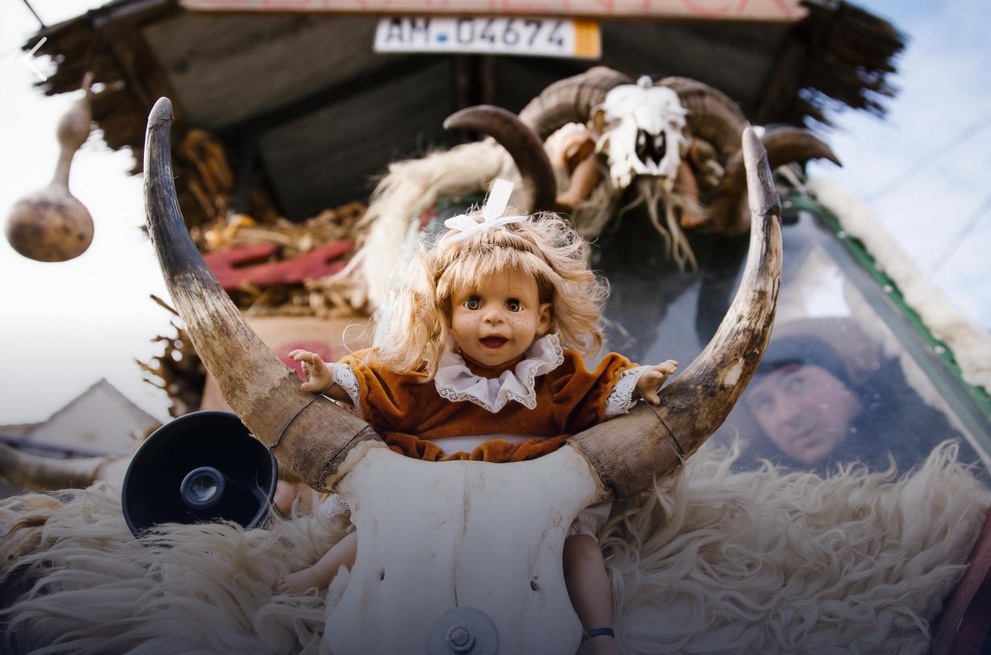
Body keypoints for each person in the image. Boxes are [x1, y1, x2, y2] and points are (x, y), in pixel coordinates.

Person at [272, 179, 677, 655]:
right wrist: (330, 379)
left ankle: (599, 630)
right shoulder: (426, 373)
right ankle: (318, 574)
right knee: (383, 529)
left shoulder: (553, 374)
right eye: (473, 302)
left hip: (530, 492)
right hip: (431, 487)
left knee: (577, 544)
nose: (493, 317)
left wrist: (638, 383)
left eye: (513, 304)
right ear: (446, 313)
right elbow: (377, 382)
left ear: (543, 318)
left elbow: (597, 389)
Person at [734, 329, 977, 476]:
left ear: (844, 379)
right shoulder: (764, 505)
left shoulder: (936, 417)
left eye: (796, 384)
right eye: (764, 403)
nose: (787, 415)